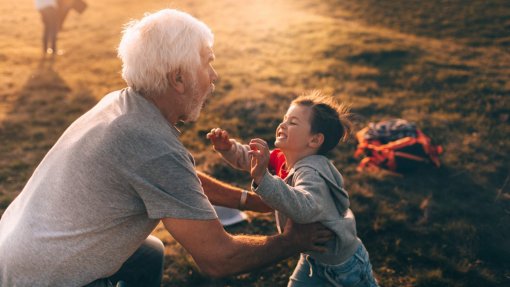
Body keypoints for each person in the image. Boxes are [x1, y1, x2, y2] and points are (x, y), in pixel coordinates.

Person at [0, 9, 333, 287]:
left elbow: (178, 179)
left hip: (17, 249)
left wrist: (254, 202)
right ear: (178, 79)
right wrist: (293, 241)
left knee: (151, 252)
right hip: (44, 278)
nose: (214, 76)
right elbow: (219, 258)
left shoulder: (119, 104)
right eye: (208, 62)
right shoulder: (152, 147)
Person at [207, 91, 379, 286]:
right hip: (311, 258)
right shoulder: (282, 158)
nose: (283, 125)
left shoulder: (311, 172)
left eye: (293, 122)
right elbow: (250, 158)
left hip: (344, 266)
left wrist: (264, 178)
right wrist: (228, 148)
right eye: (285, 119)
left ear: (314, 140)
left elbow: (304, 208)